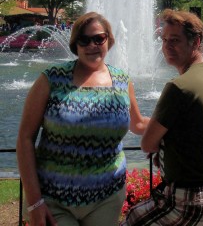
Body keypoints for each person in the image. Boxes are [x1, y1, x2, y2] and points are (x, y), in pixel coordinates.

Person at [17, 11, 149, 226]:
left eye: (99, 38)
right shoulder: (52, 79)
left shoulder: (122, 80)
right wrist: (34, 202)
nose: (92, 45)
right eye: (84, 40)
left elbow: (138, 123)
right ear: (75, 43)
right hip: (53, 199)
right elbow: (25, 138)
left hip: (107, 197)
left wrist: (175, 121)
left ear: (108, 40)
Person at [122, 9, 203, 225]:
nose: (167, 46)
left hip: (191, 197)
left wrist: (161, 146)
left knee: (133, 219)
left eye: (175, 40)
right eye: (164, 40)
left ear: (196, 41)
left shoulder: (178, 87)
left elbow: (147, 144)